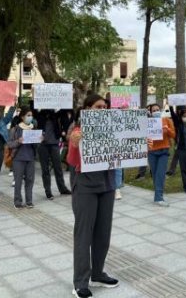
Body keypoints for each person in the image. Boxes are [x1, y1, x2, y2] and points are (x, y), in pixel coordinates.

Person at [67, 94, 119, 298]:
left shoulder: (112, 129)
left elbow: (124, 150)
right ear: (87, 109)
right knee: (84, 234)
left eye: (105, 107)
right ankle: (80, 281)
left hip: (107, 186)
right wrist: (73, 143)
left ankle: (98, 273)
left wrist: (141, 146)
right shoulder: (77, 131)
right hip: (86, 187)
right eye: (98, 107)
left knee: (103, 234)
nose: (103, 111)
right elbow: (72, 160)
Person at [7, 107, 41, 209]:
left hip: (30, 158)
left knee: (30, 180)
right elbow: (9, 144)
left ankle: (29, 201)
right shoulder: (15, 129)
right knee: (18, 180)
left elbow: (36, 146)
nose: (30, 117)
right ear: (22, 117)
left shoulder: (33, 128)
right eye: (28, 115)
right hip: (18, 159)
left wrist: (39, 140)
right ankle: (17, 201)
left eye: (31, 115)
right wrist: (18, 141)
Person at [36, 109, 72, 199]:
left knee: (58, 168)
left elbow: (66, 111)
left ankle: (62, 188)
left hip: (54, 145)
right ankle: (48, 191)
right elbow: (33, 108)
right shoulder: (39, 115)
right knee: (45, 170)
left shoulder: (55, 115)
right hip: (42, 145)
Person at [147, 104, 176, 207]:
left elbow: (173, 135)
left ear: (161, 110)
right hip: (151, 151)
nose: (156, 112)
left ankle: (159, 197)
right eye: (153, 110)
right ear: (150, 112)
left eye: (157, 109)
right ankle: (158, 195)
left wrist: (167, 130)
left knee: (160, 174)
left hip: (164, 151)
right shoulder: (147, 123)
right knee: (155, 175)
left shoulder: (167, 120)